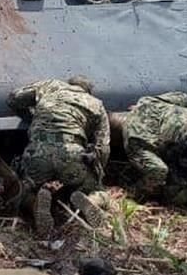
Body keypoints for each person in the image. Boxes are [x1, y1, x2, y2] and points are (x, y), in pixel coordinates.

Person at [7, 77, 111, 236]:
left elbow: (13, 98)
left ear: (69, 84)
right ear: (88, 91)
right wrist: (97, 173)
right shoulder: (96, 104)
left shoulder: (50, 85)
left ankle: (34, 204)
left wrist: (30, 118)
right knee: (97, 190)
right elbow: (102, 147)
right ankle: (90, 200)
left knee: (22, 187)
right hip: (72, 154)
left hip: (38, 152)